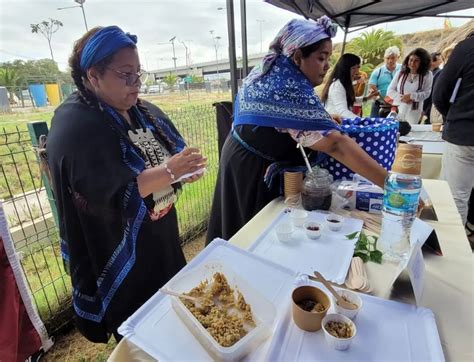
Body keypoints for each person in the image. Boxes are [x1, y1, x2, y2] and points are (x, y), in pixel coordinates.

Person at [46, 26, 206, 342]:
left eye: (138, 73)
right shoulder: (75, 124)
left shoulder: (142, 111)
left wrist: (185, 169)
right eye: (125, 74)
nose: (136, 84)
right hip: (119, 247)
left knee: (171, 306)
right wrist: (170, 173)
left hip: (159, 235)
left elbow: (170, 153)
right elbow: (107, 191)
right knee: (139, 326)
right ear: (93, 76)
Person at [207, 17, 388, 243]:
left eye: (329, 59)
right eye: (321, 58)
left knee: (244, 228)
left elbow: (282, 121)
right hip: (250, 167)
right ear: (297, 56)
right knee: (249, 234)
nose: (327, 66)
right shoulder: (287, 87)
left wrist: (321, 120)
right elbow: (335, 144)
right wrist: (391, 186)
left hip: (241, 155)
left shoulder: (275, 71)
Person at [433, 33, 474, 229]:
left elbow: (440, 91)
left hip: (463, 132)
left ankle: (453, 252)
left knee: (453, 198)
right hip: (462, 130)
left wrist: (452, 116)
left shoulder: (467, 47)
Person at [321, 53, 378, 118]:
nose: (357, 71)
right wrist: (362, 121)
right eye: (353, 68)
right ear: (345, 69)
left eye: (358, 67)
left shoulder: (344, 83)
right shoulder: (337, 85)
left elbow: (346, 99)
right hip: (335, 124)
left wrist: (367, 98)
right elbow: (342, 111)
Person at [387, 48, 433, 124]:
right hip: (398, 108)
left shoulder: (427, 75)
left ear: (423, 62)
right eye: (410, 60)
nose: (412, 63)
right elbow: (390, 90)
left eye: (416, 61)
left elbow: (427, 93)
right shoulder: (401, 72)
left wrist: (412, 96)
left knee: (410, 131)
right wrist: (403, 98)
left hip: (415, 111)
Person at [368, 46, 402, 117]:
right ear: (384, 58)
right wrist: (380, 98)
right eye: (387, 58)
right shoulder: (377, 72)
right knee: (374, 125)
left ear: (398, 57)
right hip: (380, 105)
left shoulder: (403, 70)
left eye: (393, 58)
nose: (390, 61)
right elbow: (372, 89)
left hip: (398, 104)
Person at [422, 52, 442, 123]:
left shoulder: (439, 72)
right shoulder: (424, 72)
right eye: (439, 60)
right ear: (432, 61)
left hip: (431, 104)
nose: (441, 61)